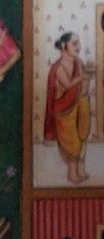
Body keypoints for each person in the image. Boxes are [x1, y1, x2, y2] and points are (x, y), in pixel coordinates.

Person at [44, 29, 92, 183]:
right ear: (64, 46)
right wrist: (82, 77)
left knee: (82, 136)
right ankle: (72, 174)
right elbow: (69, 84)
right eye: (74, 43)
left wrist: (87, 77)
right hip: (64, 109)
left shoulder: (78, 62)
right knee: (72, 141)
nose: (78, 46)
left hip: (79, 104)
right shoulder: (57, 68)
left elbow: (83, 80)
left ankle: (81, 171)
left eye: (78, 43)